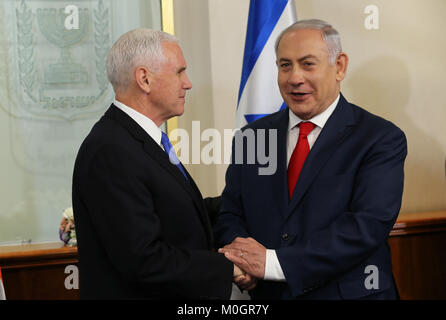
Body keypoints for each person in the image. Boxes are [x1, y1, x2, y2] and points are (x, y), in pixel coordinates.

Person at [216, 19, 407, 300]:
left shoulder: (380, 138)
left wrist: (271, 264)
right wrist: (242, 261)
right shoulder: (252, 137)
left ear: (339, 66)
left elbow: (366, 227)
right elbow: (231, 213)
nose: (294, 78)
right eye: (285, 65)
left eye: (307, 64)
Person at [72, 29, 248, 299]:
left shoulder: (138, 140)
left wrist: (249, 199)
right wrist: (229, 267)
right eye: (179, 72)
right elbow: (143, 260)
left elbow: (178, 215)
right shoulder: (111, 151)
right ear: (144, 79)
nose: (188, 83)